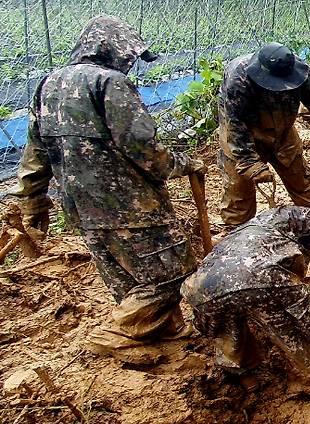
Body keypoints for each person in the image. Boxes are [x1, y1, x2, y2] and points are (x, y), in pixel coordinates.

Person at [9, 15, 205, 363]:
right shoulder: (109, 83)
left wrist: (33, 200)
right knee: (175, 269)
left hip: (79, 206)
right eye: (129, 56)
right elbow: (143, 147)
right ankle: (116, 333)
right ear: (112, 50)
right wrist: (181, 163)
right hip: (129, 203)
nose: (130, 64)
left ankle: (164, 329)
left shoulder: (48, 84)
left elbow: (35, 152)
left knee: (126, 275)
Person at [181, 204, 310, 391]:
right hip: (260, 277)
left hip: (201, 289)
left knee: (228, 328)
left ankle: (245, 374)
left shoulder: (245, 231)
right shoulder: (289, 215)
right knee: (306, 329)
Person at [219, 42, 310, 226]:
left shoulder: (300, 71)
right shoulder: (238, 79)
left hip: (283, 131)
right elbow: (235, 123)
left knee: (301, 179)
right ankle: (237, 234)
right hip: (243, 135)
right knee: (239, 191)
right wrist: (249, 162)